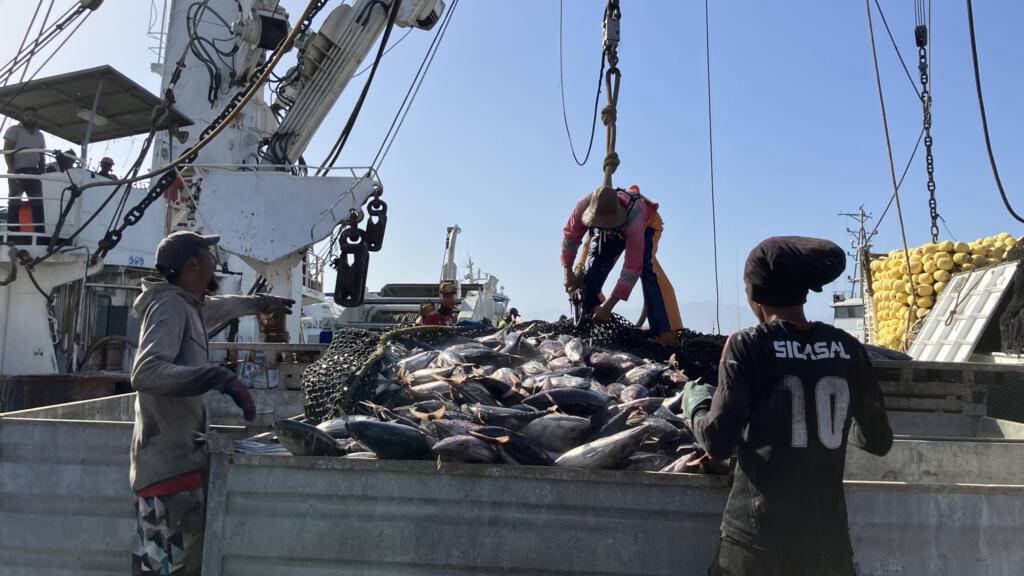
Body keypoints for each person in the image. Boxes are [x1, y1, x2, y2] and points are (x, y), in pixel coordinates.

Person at [680, 236, 893, 576]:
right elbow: (877, 441)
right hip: (827, 544)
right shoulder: (848, 347)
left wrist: (695, 402)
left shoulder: (747, 345)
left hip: (757, 542)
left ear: (755, 295)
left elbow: (718, 441)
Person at [130, 231, 294, 575]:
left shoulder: (188, 303)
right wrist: (217, 378)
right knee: (162, 570)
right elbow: (146, 372)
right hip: (167, 473)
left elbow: (226, 305)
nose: (215, 261)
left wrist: (264, 303)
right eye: (209, 254)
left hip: (185, 466)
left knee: (186, 568)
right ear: (192, 264)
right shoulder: (169, 305)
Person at [561, 184, 683, 344]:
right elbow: (570, 237)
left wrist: (609, 306)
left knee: (647, 268)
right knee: (593, 272)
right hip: (608, 231)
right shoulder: (583, 207)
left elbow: (631, 269)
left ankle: (666, 332)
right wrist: (568, 270)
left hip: (647, 225)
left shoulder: (635, 219)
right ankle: (590, 321)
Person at [4, 107, 46, 242]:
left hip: (34, 171)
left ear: (36, 118)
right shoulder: (14, 130)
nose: (30, 118)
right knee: (15, 201)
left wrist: (42, 172)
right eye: (27, 115)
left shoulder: (40, 135)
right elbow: (7, 149)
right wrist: (11, 169)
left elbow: (41, 154)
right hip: (17, 170)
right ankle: (12, 232)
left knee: (37, 202)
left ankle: (40, 233)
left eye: (33, 116)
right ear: (22, 117)